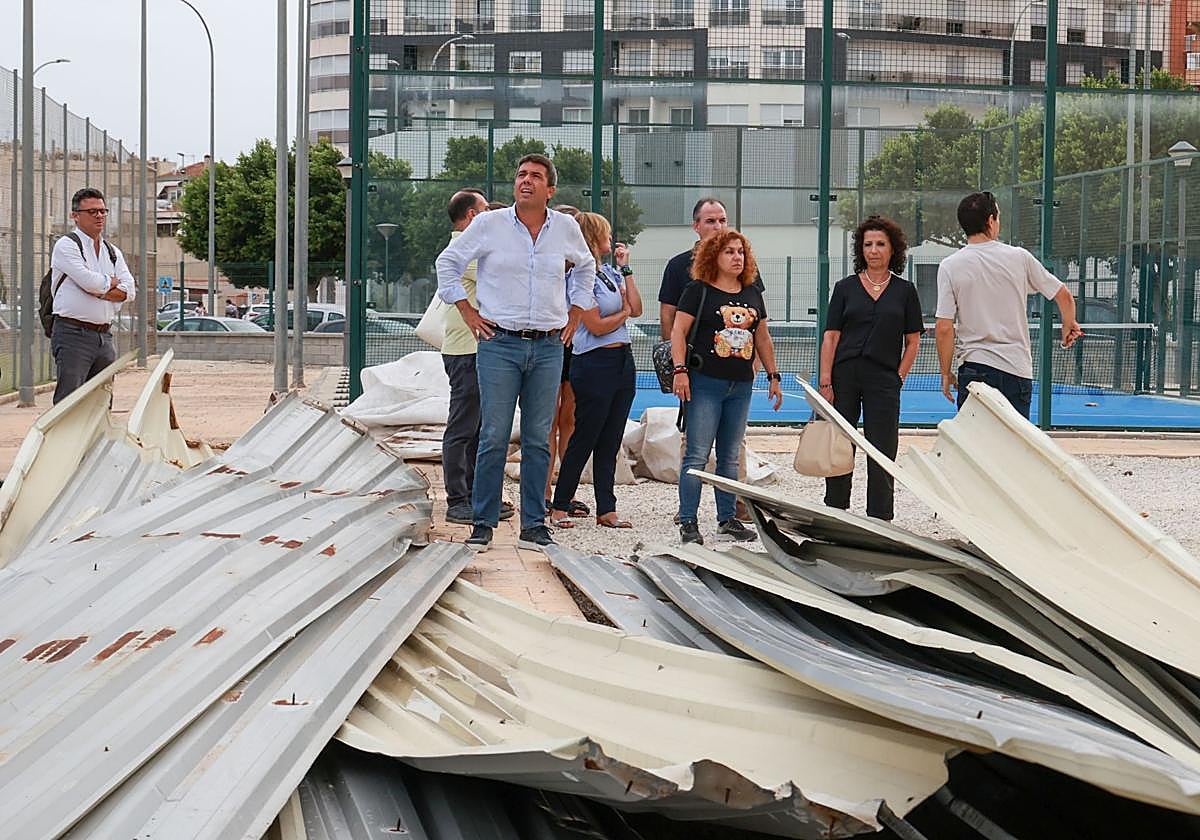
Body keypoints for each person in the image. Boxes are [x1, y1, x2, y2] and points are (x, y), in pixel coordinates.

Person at [436, 154, 596, 553]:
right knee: (492, 434)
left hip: (547, 345)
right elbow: (448, 262)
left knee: (539, 438)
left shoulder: (565, 228)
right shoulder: (489, 224)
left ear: (550, 189)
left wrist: (577, 310)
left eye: (536, 176)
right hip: (499, 344)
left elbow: (586, 265)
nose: (526, 181)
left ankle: (534, 524)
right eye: (521, 175)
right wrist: (467, 310)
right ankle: (483, 521)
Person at [671, 230, 782, 545]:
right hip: (704, 383)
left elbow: (762, 336)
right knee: (696, 454)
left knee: (730, 456)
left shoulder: (751, 294)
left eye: (740, 252)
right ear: (713, 257)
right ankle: (689, 521)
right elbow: (679, 331)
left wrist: (773, 375)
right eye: (729, 252)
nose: (737, 258)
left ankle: (727, 518)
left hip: (741, 385)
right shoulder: (698, 291)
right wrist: (680, 370)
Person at [658, 196, 764, 523]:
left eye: (721, 220)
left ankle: (733, 508)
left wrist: (758, 362)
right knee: (695, 444)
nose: (717, 226)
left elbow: (756, 318)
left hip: (737, 372)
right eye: (710, 221)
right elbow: (669, 318)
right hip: (699, 372)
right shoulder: (679, 267)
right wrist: (679, 364)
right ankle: (687, 512)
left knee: (733, 448)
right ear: (696, 226)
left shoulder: (744, 269)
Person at [935, 191, 1083, 419]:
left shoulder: (950, 266)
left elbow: (944, 327)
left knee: (976, 447)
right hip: (1017, 370)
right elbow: (1063, 295)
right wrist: (1068, 324)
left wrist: (945, 373)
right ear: (990, 221)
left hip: (975, 368)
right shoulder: (1019, 257)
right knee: (1012, 447)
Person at [818, 216, 922, 522]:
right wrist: (826, 380)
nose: (873, 250)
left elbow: (913, 341)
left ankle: (880, 517)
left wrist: (899, 376)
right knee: (840, 444)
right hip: (844, 376)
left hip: (884, 379)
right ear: (860, 250)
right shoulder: (844, 288)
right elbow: (831, 336)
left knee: (882, 447)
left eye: (880, 244)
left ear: (893, 250)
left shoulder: (905, 291)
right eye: (867, 245)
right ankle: (836, 512)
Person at [550, 212, 642, 530]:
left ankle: (607, 508)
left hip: (621, 362)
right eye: (606, 233)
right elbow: (596, 325)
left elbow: (638, 307)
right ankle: (560, 505)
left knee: (611, 438)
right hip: (593, 362)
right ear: (593, 237)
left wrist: (626, 268)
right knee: (585, 435)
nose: (611, 237)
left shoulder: (610, 274)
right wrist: (625, 313)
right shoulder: (579, 276)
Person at [438, 188, 514, 526]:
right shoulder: (463, 250)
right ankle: (457, 499)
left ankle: (478, 497)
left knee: (481, 427)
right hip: (466, 350)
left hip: (480, 348)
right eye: (485, 209)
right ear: (471, 216)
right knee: (463, 426)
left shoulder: (473, 247)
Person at [49, 187, 136, 404]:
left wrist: (101, 290)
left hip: (104, 336)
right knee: (69, 401)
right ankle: (64, 439)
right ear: (75, 216)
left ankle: (96, 439)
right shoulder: (67, 245)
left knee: (101, 401)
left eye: (102, 211)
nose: (99, 216)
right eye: (92, 212)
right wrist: (110, 283)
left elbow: (130, 291)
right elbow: (89, 282)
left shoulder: (112, 251)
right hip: (73, 334)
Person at [544, 203, 587, 519]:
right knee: (546, 419)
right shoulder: (546, 260)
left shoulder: (584, 266)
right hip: (548, 343)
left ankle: (565, 492)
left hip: (576, 346)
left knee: (569, 418)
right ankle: (542, 492)